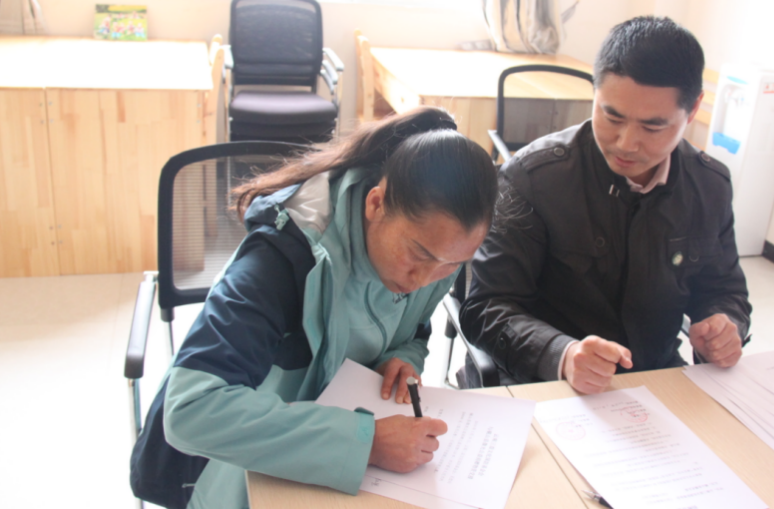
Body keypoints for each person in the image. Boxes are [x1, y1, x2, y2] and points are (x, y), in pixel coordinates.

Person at [130, 108, 499, 509]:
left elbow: (413, 329)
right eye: (419, 254)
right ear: (376, 204)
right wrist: (367, 442)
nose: (424, 279)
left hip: (324, 452)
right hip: (233, 473)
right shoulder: (280, 260)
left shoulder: (433, 254)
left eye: (452, 264)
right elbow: (191, 411)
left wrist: (402, 355)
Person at [460, 16, 752, 393]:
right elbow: (486, 307)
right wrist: (562, 354)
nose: (626, 143)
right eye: (611, 116)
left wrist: (724, 325)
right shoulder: (533, 178)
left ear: (693, 110)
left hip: (652, 376)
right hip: (538, 379)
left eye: (652, 127)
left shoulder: (709, 186)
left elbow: (724, 289)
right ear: (595, 91)